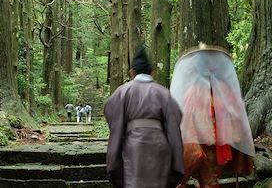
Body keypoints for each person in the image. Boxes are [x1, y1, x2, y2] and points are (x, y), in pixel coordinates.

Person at [170, 44, 255, 188]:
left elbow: (187, 120)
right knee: (210, 181)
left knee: (207, 180)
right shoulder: (225, 90)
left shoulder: (196, 91)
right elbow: (237, 119)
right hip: (219, 146)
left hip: (205, 147)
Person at [104, 44, 184, 188]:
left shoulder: (123, 92)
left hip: (133, 147)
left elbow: (114, 121)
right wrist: (177, 166)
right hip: (160, 146)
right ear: (152, 73)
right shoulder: (164, 93)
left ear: (132, 72)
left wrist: (113, 164)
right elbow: (174, 127)